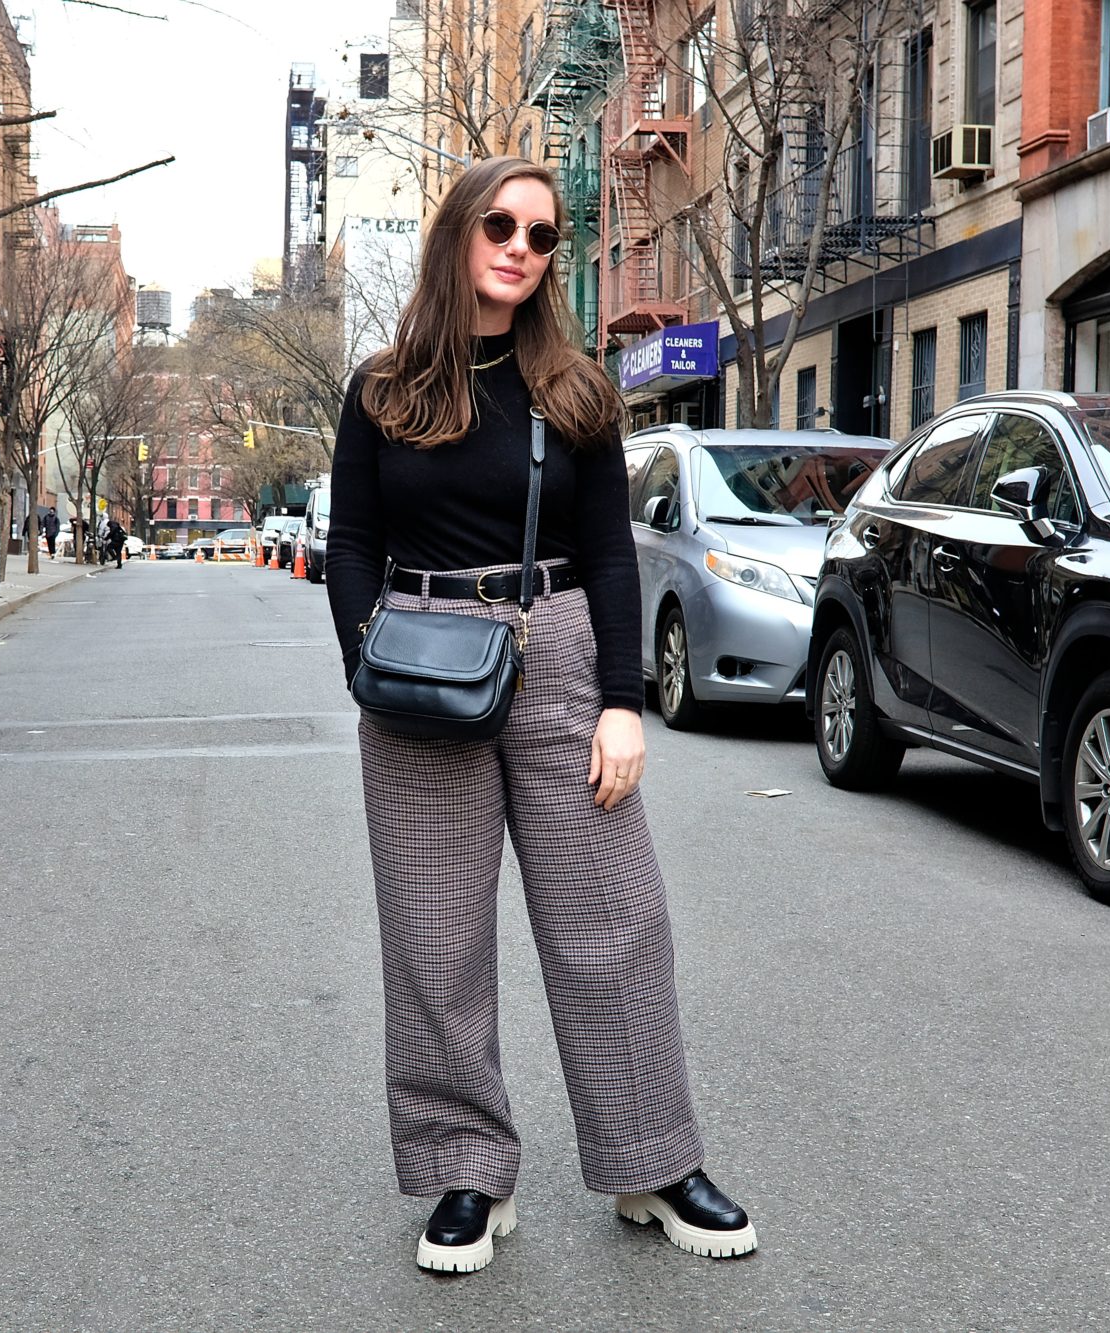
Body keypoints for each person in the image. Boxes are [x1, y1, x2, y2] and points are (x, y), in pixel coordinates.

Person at [324, 156, 756, 1274]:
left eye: (543, 234)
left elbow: (612, 553)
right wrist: (368, 659)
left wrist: (622, 702)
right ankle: (463, 1170)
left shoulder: (573, 388)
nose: (521, 246)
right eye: (500, 225)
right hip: (420, 658)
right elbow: (353, 546)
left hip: (557, 646)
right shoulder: (381, 390)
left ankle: (651, 1164)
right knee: (434, 939)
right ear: (457, 235)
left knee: (616, 923)